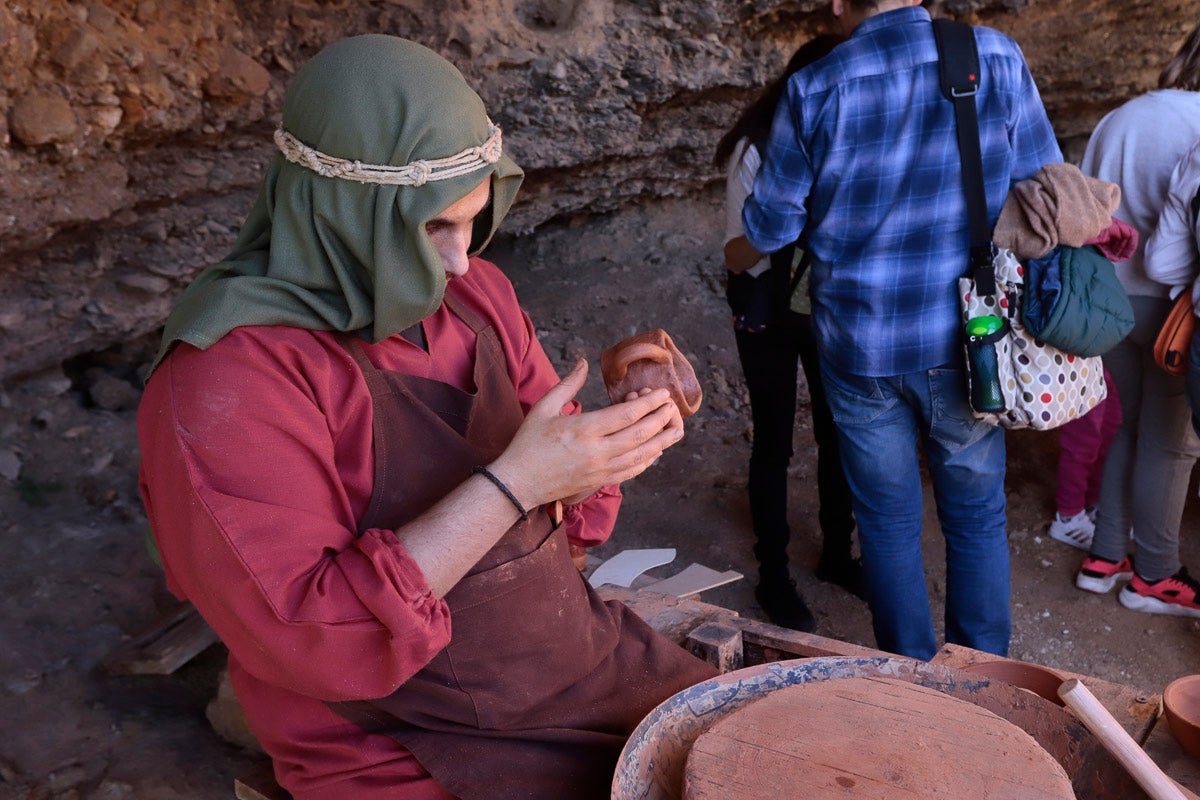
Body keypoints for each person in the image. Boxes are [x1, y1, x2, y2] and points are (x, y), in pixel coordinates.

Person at [135, 35, 716, 800]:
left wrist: (616, 438)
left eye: (473, 221)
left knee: (792, 744)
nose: (461, 260)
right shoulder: (226, 382)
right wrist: (514, 482)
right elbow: (315, 637)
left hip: (571, 665)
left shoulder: (474, 299)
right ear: (339, 211)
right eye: (432, 228)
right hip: (401, 742)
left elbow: (564, 489)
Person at [742, 0, 1062, 660]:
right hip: (968, 337)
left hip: (861, 345)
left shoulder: (815, 85)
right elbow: (1045, 183)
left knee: (886, 521)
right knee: (975, 514)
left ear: (838, 4)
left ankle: (909, 677)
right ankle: (981, 674)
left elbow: (767, 230)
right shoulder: (994, 57)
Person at [713, 34, 864, 633]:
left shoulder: (848, 141)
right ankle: (773, 572)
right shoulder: (757, 151)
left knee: (837, 433)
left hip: (828, 308)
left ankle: (836, 555)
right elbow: (733, 254)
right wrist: (786, 220)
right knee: (774, 438)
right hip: (768, 310)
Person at [1075, 23, 1200, 615]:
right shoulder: (1198, 125)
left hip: (1107, 297)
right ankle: (1155, 571)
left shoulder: (1119, 116)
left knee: (1123, 427)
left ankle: (1104, 556)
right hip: (1171, 305)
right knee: (1169, 444)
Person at [1047, 372, 1122, 552]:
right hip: (1085, 355)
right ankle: (1068, 516)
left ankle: (1092, 502)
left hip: (1114, 352)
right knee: (1083, 436)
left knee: (1112, 424)